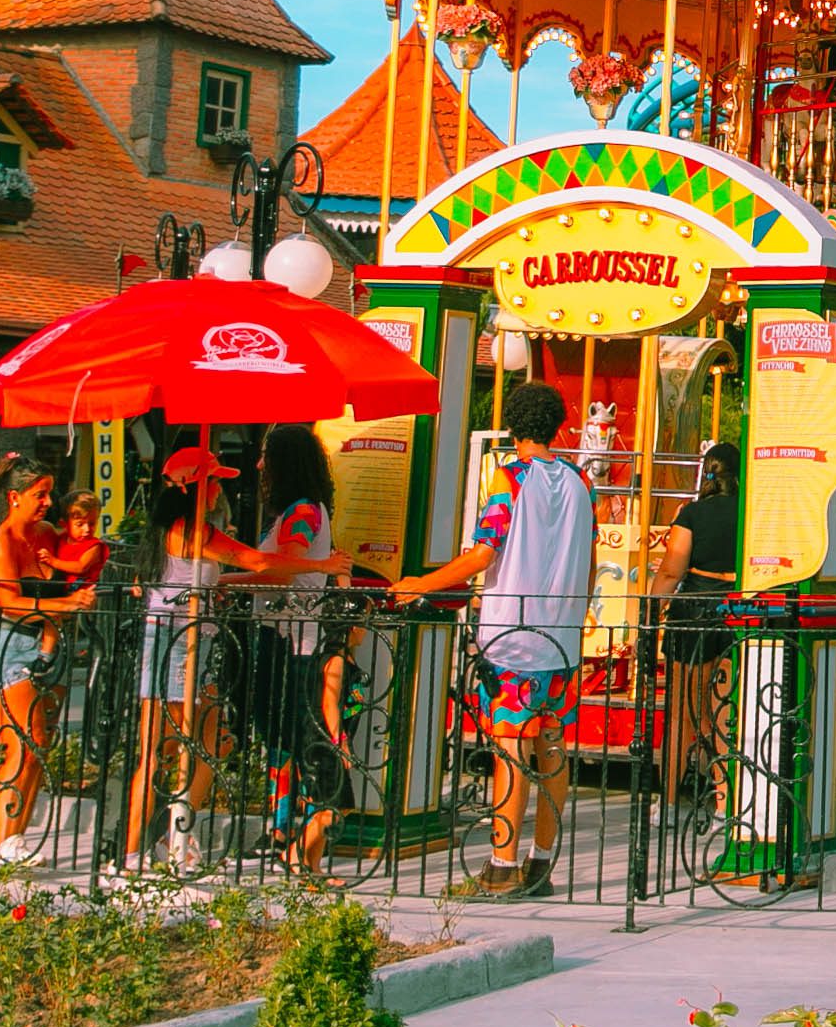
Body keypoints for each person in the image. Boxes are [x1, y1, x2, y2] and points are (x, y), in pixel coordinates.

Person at [389, 382, 597, 898]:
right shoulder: (580, 483)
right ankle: (541, 861)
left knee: (511, 746)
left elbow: (485, 553)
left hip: (513, 637)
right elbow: (590, 563)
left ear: (513, 426)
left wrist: (423, 582)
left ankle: (503, 864)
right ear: (555, 426)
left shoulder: (509, 480)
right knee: (551, 747)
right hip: (562, 636)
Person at [123, 445, 337, 870]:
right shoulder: (194, 530)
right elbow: (256, 560)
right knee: (165, 751)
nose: (221, 487)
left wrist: (216, 588)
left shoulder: (172, 530)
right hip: (177, 644)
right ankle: (139, 851)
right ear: (197, 486)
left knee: (210, 742)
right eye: (216, 479)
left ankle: (175, 837)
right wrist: (327, 562)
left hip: (185, 642)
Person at [0, 456, 100, 865]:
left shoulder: (46, 533)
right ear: (15, 497)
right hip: (8, 647)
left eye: (50, 493)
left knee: (39, 748)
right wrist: (68, 603)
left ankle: (13, 841)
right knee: (22, 743)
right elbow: (8, 602)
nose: (48, 502)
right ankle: (1, 842)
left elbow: (75, 560)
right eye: (40, 494)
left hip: (47, 645)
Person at [247, 425, 355, 877]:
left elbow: (280, 569)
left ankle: (301, 852)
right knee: (297, 745)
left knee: (308, 745)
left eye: (266, 457)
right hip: (291, 637)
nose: (259, 466)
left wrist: (221, 580)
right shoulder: (304, 511)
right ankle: (298, 852)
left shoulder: (301, 514)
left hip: (292, 641)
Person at [653, 442, 740, 802]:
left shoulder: (691, 514)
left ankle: (669, 798)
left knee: (680, 712)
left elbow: (672, 569)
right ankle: (724, 795)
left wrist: (651, 606)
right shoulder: (748, 512)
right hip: (734, 605)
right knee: (723, 710)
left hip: (693, 608)